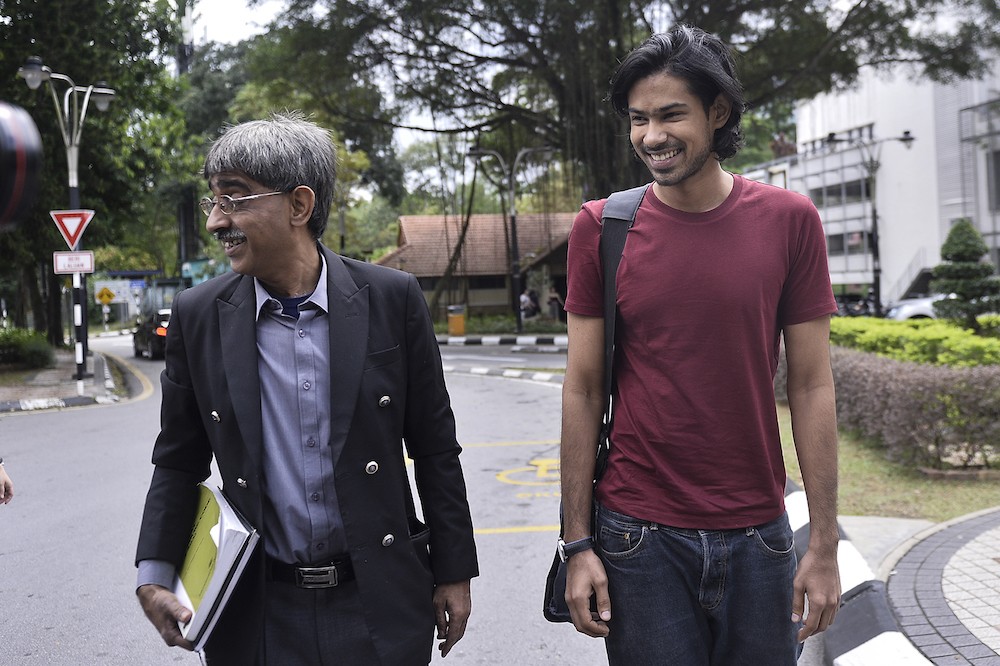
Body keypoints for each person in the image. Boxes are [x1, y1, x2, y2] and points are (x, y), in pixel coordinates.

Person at [135, 113, 478, 666]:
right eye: (213, 201)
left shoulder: (391, 298)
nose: (217, 221)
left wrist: (454, 571)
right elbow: (178, 458)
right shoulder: (198, 316)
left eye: (234, 198)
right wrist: (154, 571)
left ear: (299, 205)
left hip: (378, 600)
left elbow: (435, 447)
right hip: (258, 611)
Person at [560, 26, 841, 665]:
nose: (651, 136)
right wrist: (577, 544)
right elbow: (582, 389)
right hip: (638, 538)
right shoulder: (601, 227)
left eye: (670, 115)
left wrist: (823, 545)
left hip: (760, 535)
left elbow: (811, 384)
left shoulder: (790, 221)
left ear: (718, 113)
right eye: (638, 120)